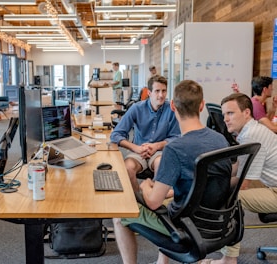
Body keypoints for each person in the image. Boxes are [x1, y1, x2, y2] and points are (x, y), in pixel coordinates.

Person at [113, 80, 232, 264]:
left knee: (119, 216)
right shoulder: (221, 140)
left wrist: (146, 186)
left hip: (185, 226)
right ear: (202, 106)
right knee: (170, 199)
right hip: (218, 222)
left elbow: (153, 203)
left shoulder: (174, 149)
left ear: (173, 106)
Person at [200, 93, 277, 264]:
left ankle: (229, 259)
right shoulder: (249, 131)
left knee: (233, 198)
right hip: (270, 181)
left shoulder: (251, 136)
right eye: (224, 114)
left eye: (230, 113)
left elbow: (242, 183)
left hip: (275, 189)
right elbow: (237, 168)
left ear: (247, 113)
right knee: (224, 186)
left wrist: (208, 189)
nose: (225, 119)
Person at [110, 75, 180, 192]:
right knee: (127, 168)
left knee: (162, 166)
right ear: (149, 93)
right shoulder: (137, 108)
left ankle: (153, 199)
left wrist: (156, 146)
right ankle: (139, 199)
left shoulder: (171, 110)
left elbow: (177, 138)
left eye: (164, 91)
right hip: (138, 151)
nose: (161, 95)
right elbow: (116, 135)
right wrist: (135, 148)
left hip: (159, 152)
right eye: (157, 91)